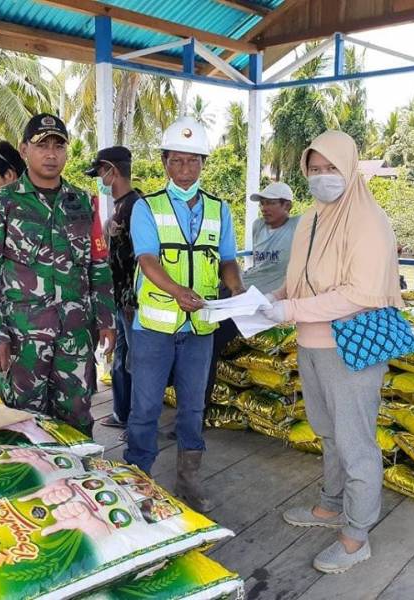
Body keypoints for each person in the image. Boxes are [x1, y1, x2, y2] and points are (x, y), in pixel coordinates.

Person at [264, 130, 403, 573]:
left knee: (355, 441)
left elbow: (358, 294)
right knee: (327, 431)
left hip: (352, 347)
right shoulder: (310, 219)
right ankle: (329, 504)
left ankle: (356, 535)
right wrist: (271, 301)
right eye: (315, 170)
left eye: (332, 169)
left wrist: (289, 308)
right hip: (311, 343)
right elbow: (299, 278)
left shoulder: (369, 221)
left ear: (350, 169)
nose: (323, 178)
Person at [125, 116, 244, 512]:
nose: (185, 169)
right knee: (146, 406)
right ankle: (139, 480)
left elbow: (226, 259)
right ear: (164, 163)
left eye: (193, 161)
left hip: (201, 327)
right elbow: (146, 259)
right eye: (177, 161)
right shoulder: (147, 207)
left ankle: (189, 479)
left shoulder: (218, 210)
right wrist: (177, 292)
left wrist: (237, 286)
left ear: (203, 164)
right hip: (154, 328)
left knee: (193, 407)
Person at [0, 113, 115, 435]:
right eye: (42, 146)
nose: (51, 154)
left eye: (58, 146)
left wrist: (107, 320)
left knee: (77, 414)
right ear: (24, 150)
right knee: (23, 422)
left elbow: (98, 265)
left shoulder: (82, 202)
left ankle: (79, 479)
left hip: (76, 334)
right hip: (23, 338)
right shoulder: (0, 203)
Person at [203, 181, 298, 411]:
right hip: (241, 288)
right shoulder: (258, 226)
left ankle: (200, 408)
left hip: (263, 298)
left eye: (271, 203)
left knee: (212, 340)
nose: (264, 208)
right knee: (201, 318)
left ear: (287, 205)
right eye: (262, 203)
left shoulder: (299, 226)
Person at [85, 146, 140, 430]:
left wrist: (130, 302)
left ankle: (136, 423)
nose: (100, 180)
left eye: (100, 173)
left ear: (112, 171)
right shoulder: (122, 207)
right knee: (120, 359)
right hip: (119, 300)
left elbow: (142, 260)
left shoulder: (135, 207)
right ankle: (122, 414)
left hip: (132, 302)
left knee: (134, 362)